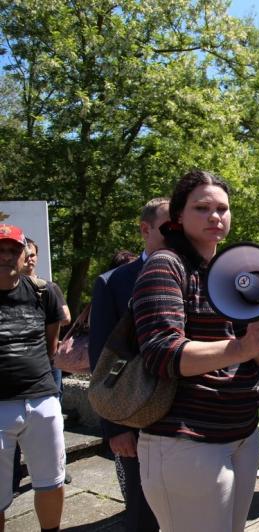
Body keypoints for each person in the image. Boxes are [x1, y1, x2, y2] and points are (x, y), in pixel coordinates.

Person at [131, 170, 259, 532]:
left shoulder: (227, 270)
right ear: (178, 216)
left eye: (222, 208)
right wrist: (243, 345)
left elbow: (247, 357)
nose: (215, 216)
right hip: (187, 442)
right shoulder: (165, 265)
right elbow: (162, 354)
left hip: (241, 434)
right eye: (202, 208)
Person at [88, 197, 169, 532]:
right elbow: (102, 361)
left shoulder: (201, 275)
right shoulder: (114, 283)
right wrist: (115, 427)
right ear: (145, 229)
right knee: (142, 514)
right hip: (135, 419)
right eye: (168, 227)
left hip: (189, 421)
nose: (177, 234)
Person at [1, 224, 67, 532]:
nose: (5, 256)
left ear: (23, 254)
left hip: (42, 399)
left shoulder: (44, 292)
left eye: (12, 250)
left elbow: (50, 344)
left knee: (51, 481)